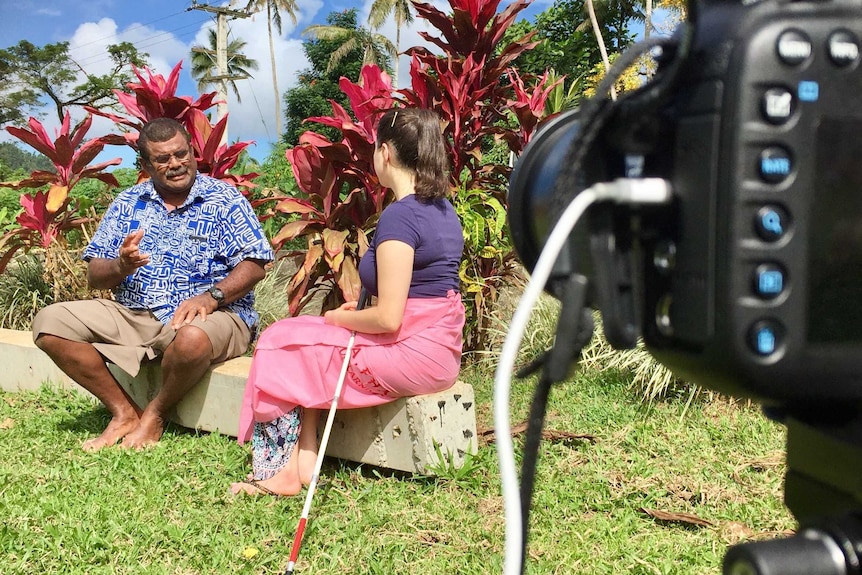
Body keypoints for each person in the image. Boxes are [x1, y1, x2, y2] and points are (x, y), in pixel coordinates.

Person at [231, 107, 465, 497]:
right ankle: (303, 458)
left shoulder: (401, 217)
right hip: (439, 350)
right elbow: (415, 297)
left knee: (278, 342)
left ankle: (280, 471)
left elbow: (390, 318)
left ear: (385, 153)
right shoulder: (443, 210)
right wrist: (351, 315)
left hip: (410, 352)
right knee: (299, 333)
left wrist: (340, 321)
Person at [32, 117, 275, 451]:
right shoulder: (127, 203)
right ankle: (123, 413)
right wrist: (121, 264)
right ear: (146, 164)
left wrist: (212, 297)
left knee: (190, 340)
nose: (175, 164)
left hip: (213, 315)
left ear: (191, 151)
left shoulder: (224, 199)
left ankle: (156, 414)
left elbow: (256, 263)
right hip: (135, 312)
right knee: (50, 324)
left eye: (181, 154)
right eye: (163, 159)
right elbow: (94, 276)